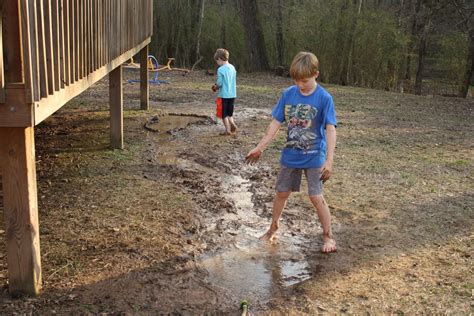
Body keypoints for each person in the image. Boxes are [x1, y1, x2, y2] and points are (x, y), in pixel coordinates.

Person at [245, 51, 337, 253]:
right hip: (290, 156)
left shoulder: (324, 98)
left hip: (314, 157)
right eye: (296, 81)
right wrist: (260, 147)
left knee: (316, 196)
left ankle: (328, 236)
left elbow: (330, 129)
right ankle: (273, 227)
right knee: (281, 193)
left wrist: (329, 161)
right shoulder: (288, 94)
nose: (300, 85)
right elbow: (275, 123)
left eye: (304, 80)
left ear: (316, 74)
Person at [212, 48, 237, 135]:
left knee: (223, 114)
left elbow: (220, 83)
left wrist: (215, 87)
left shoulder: (220, 70)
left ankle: (227, 130)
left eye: (217, 61)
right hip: (232, 94)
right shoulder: (232, 67)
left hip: (224, 95)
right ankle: (232, 123)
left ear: (219, 59)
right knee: (230, 113)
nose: (217, 63)